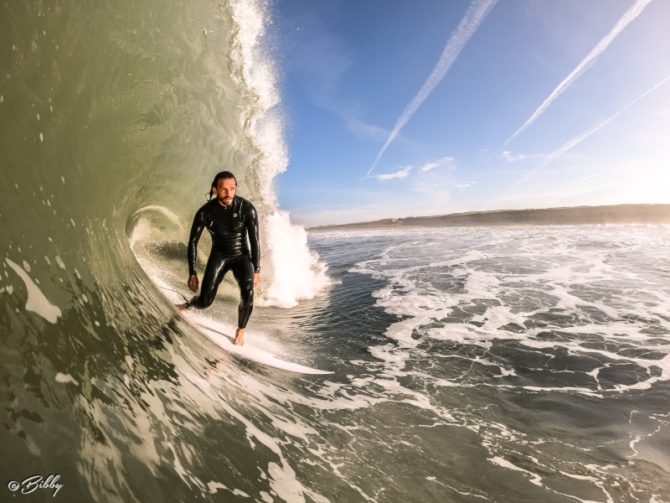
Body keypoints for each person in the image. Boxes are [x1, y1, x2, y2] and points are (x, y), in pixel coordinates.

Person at [177, 171, 260, 346]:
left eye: (232, 188)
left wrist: (257, 269)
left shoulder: (247, 209)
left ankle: (241, 330)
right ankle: (188, 305)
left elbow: (255, 241)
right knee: (205, 301)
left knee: (248, 293)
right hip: (219, 255)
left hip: (242, 256)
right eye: (223, 189)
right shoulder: (205, 212)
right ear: (215, 189)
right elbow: (192, 242)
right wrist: (192, 273)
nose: (229, 193)